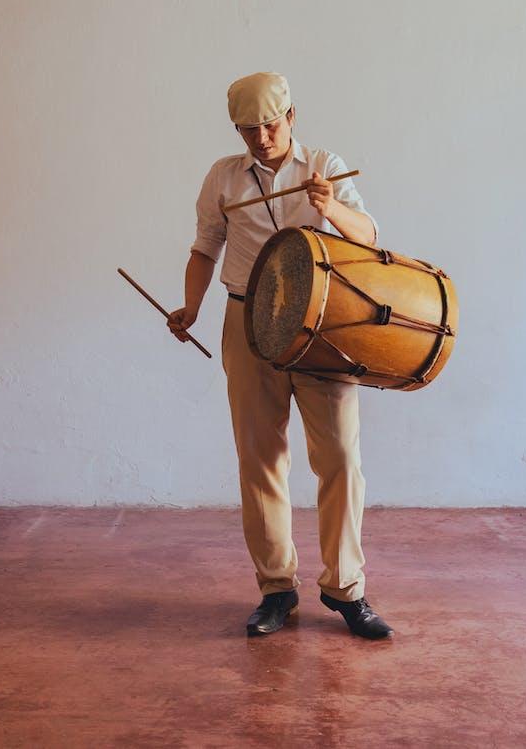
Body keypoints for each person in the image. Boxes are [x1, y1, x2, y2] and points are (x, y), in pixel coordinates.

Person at [167, 72, 394, 640]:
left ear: (292, 116)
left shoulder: (325, 164)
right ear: (237, 129)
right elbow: (204, 249)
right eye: (249, 128)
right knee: (260, 457)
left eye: (271, 124)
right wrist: (191, 307)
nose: (262, 137)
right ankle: (276, 589)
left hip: (322, 326)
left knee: (341, 456)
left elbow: (368, 236)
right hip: (247, 319)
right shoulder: (223, 177)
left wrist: (330, 207)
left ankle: (347, 588)